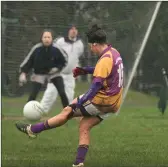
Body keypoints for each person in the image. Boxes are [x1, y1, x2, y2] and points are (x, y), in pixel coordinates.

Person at [15, 24, 124, 167]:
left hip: (102, 100)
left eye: (91, 46)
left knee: (67, 110)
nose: (90, 49)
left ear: (96, 44)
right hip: (114, 103)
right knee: (84, 126)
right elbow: (106, 71)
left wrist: (80, 103)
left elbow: (96, 86)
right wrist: (85, 70)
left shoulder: (104, 60)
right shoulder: (113, 52)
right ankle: (79, 163)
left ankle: (32, 129)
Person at [19, 29, 69, 108]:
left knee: (62, 92)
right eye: (45, 37)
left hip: (54, 73)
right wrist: (23, 73)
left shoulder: (56, 48)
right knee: (33, 95)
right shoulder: (36, 48)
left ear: (52, 39)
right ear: (41, 39)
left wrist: (57, 68)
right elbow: (28, 61)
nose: (47, 39)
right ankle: (27, 111)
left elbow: (65, 60)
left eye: (49, 37)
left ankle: (68, 111)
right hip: (39, 74)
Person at [40, 25, 85, 114]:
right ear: (68, 31)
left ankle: (67, 114)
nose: (74, 31)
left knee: (69, 96)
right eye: (71, 29)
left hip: (70, 76)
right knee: (50, 93)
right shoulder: (60, 41)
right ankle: (39, 112)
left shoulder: (80, 44)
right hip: (57, 73)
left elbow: (77, 57)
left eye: (75, 29)